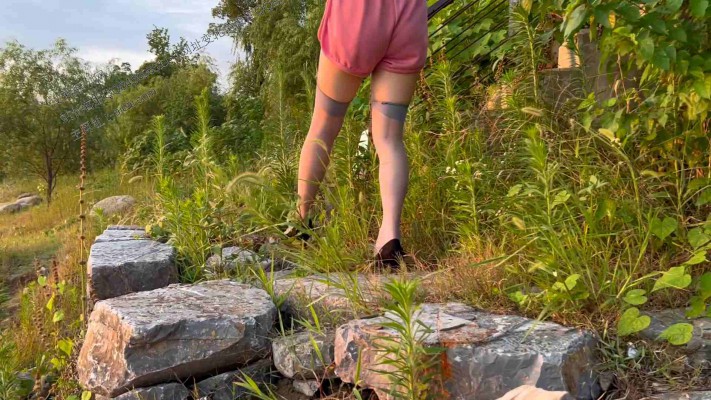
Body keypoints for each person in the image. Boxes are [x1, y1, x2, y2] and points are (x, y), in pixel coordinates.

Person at [291, 0, 429, 269]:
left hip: (357, 16)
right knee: (389, 139)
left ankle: (300, 220)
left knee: (323, 125)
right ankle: (389, 237)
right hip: (409, 15)